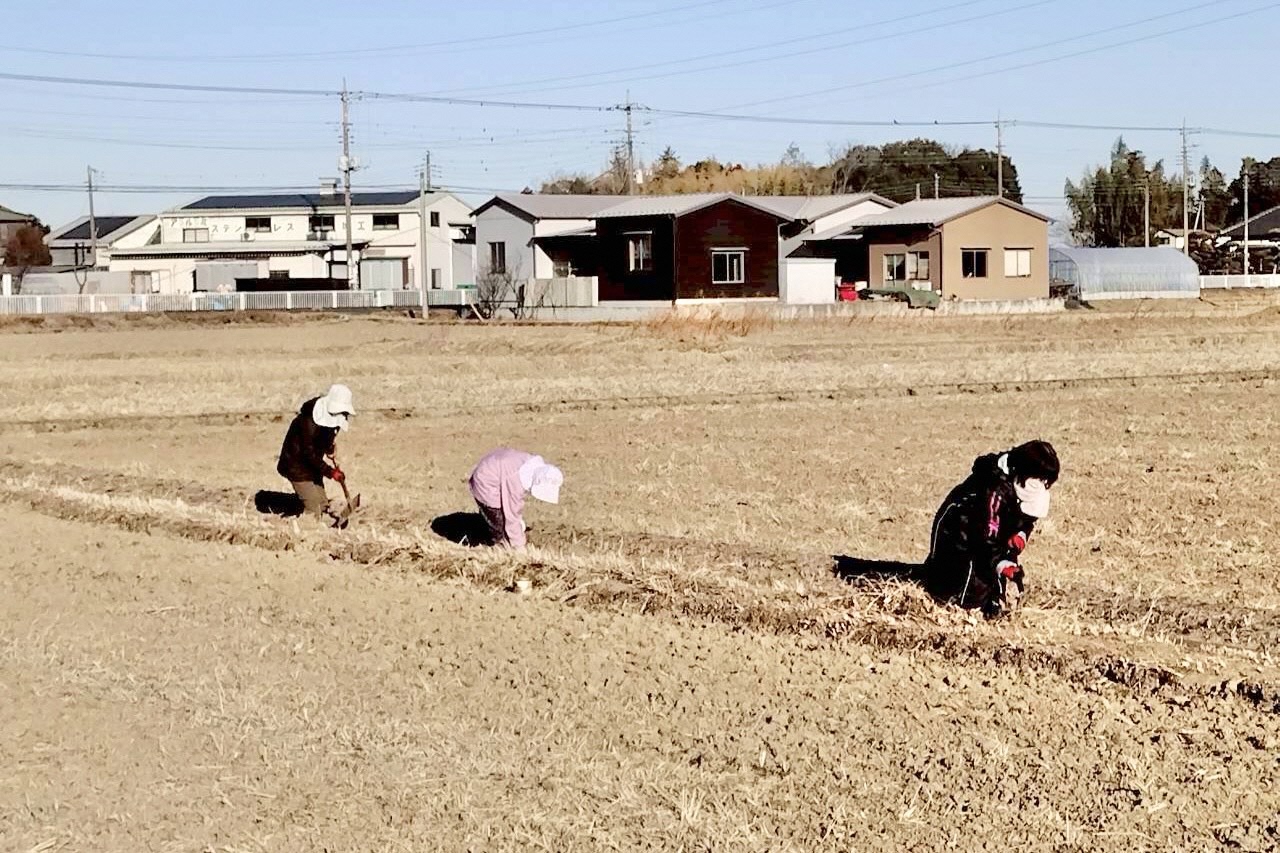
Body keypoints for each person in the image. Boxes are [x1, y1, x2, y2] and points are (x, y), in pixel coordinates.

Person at [923, 440, 1059, 619]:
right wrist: (1001, 563)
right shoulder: (993, 491)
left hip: (985, 542)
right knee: (969, 595)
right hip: (960, 537)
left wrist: (1021, 534)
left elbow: (1026, 518)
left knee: (993, 584)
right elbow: (985, 538)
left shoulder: (1022, 485)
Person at [276, 384, 354, 519]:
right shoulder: (308, 422)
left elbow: (326, 434)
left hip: (312, 466)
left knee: (323, 505)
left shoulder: (331, 416)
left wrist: (329, 448)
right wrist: (330, 472)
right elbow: (308, 454)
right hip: (296, 466)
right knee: (314, 511)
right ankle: (299, 525)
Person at [468, 448, 563, 549]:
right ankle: (492, 544)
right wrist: (519, 545)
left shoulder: (531, 466)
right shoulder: (515, 479)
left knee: (503, 519)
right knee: (499, 527)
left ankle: (486, 525)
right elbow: (511, 515)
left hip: (496, 469)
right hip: (485, 482)